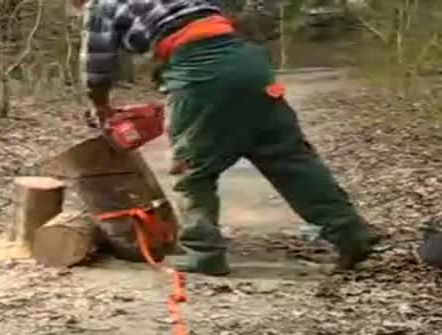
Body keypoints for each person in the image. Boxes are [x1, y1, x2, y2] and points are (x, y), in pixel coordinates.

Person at [75, 0, 377, 275]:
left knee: (191, 170)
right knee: (291, 161)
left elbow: (96, 67)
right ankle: (350, 233)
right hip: (246, 61)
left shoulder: (101, 6)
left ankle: (203, 253)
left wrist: (100, 106)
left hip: (201, 69)